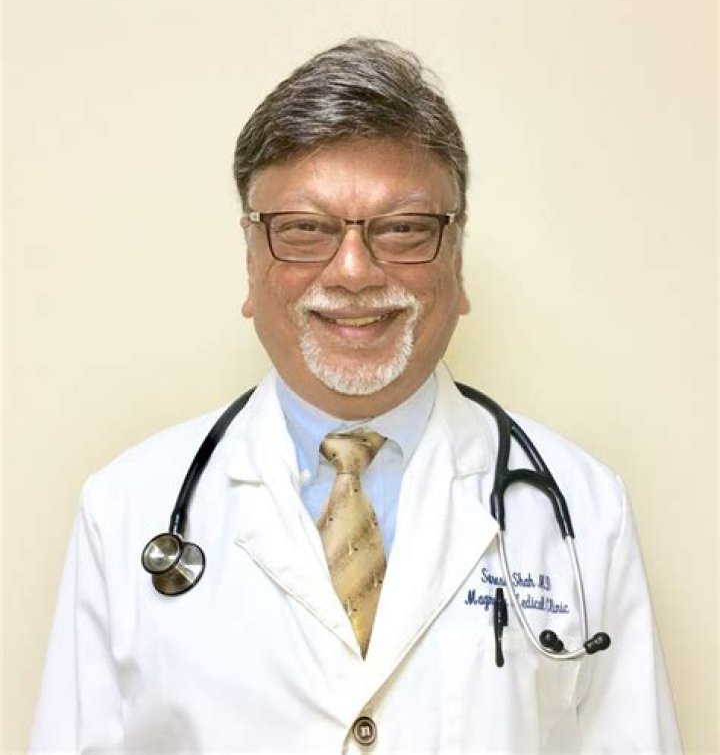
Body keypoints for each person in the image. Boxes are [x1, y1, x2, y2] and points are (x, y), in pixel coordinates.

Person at [30, 38, 681, 753]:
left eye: (401, 229)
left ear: (458, 260)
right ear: (250, 264)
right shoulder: (126, 509)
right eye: (304, 230)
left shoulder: (584, 507)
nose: (352, 271)